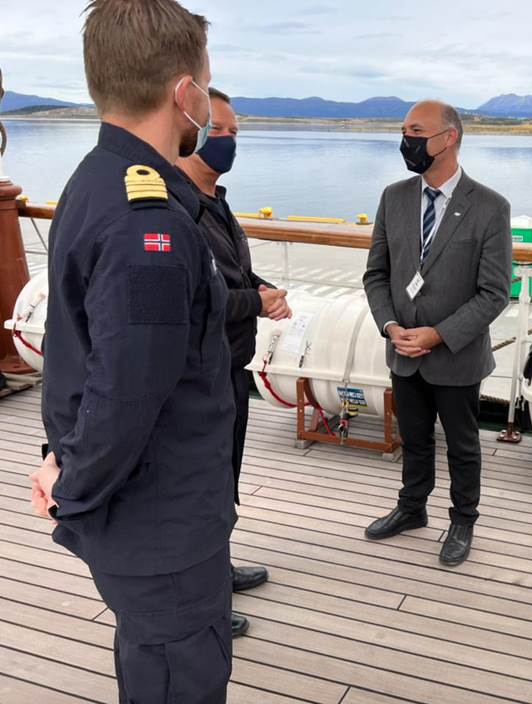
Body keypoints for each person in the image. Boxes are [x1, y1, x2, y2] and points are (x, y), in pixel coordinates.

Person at [29, 1, 236, 701]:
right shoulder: (146, 224)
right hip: (164, 524)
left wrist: (61, 460)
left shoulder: (94, 182)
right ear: (185, 93)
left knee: (149, 667)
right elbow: (129, 390)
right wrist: (71, 485)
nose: (207, 100)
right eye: (206, 83)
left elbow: (85, 352)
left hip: (143, 518)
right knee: (179, 678)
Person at [362, 100, 512, 566]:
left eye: (415, 131)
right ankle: (412, 509)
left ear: (449, 138)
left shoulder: (489, 207)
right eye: (404, 130)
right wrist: (391, 326)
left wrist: (439, 335)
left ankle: (463, 519)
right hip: (402, 349)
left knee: (463, 445)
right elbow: (377, 275)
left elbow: (494, 293)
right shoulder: (393, 197)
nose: (406, 140)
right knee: (415, 436)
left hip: (456, 354)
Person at [177, 87, 291, 639]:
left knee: (222, 481)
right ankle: (200, 603)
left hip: (232, 366)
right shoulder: (175, 208)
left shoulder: (215, 201)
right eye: (218, 130)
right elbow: (200, 301)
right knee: (200, 488)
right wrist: (259, 302)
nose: (229, 142)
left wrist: (261, 286)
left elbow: (229, 276)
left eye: (235, 134)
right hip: (201, 372)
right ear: (188, 126)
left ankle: (215, 572)